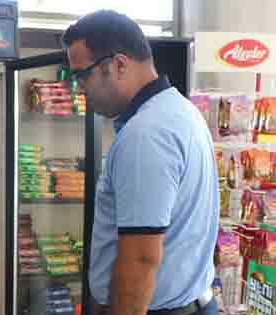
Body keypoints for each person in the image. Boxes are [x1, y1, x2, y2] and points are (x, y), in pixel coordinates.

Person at [62, 10, 219, 315]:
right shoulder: (180, 110)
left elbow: (140, 259)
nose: (80, 87)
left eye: (83, 75)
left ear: (119, 64)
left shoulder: (146, 133)